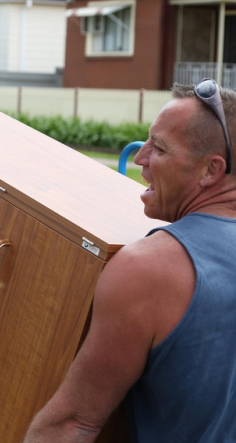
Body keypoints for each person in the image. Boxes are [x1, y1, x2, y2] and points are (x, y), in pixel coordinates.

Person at [23, 79, 236, 442]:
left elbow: (72, 425)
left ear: (210, 171)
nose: (140, 157)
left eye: (161, 149)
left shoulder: (151, 268)